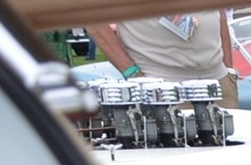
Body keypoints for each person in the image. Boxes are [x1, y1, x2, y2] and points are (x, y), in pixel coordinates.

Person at [90, 13, 237, 106]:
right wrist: (133, 74)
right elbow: (94, 20)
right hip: (161, 89)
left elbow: (218, 11)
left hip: (219, 82)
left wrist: (229, 69)